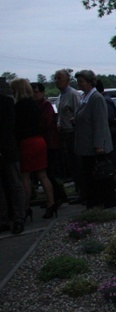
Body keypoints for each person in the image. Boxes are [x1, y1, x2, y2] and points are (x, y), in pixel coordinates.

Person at [11, 78, 57, 220]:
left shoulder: (18, 106)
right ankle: (51, 203)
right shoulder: (35, 105)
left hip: (26, 143)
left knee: (25, 177)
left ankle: (25, 207)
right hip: (39, 141)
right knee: (42, 175)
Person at [73, 71, 116, 209]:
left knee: (101, 176)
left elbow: (100, 122)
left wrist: (99, 145)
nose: (78, 84)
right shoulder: (84, 97)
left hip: (94, 146)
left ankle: (105, 202)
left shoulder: (96, 98)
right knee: (91, 176)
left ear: (89, 82)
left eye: (81, 81)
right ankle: (95, 202)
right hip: (86, 145)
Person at [31, 82, 67, 205]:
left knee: (49, 172)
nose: (34, 95)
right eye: (32, 92)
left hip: (50, 142)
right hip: (44, 141)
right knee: (47, 172)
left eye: (36, 92)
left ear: (42, 92)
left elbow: (45, 123)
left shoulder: (45, 105)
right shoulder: (37, 105)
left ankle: (59, 196)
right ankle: (56, 196)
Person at [0, 87, 25, 234]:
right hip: (8, 149)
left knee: (15, 184)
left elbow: (9, 128)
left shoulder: (7, 102)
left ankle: (18, 218)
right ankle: (3, 218)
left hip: (8, 150)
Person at [54, 69, 81, 196]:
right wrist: (59, 123)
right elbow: (60, 114)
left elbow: (79, 113)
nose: (57, 81)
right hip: (64, 133)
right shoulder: (60, 96)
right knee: (70, 164)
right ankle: (78, 189)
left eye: (60, 78)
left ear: (67, 80)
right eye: (55, 78)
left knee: (76, 163)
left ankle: (82, 190)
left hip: (73, 133)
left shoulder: (73, 95)